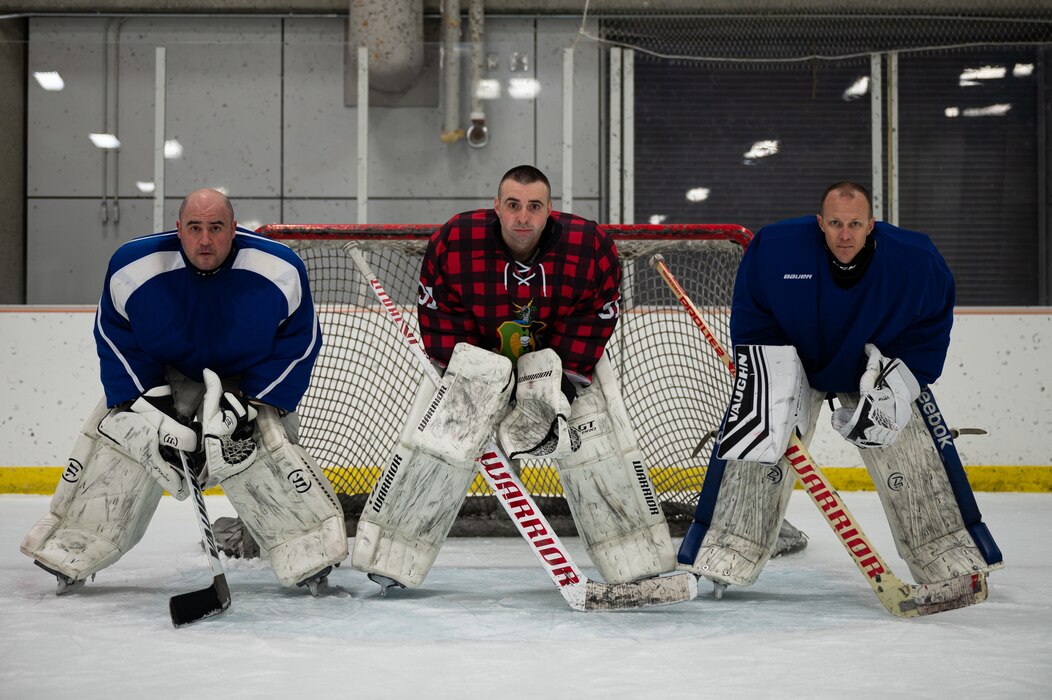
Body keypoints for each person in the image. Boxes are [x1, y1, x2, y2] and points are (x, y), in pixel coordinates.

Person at [350, 164, 677, 592]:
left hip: (560, 362)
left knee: (595, 445)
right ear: (497, 207)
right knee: (438, 446)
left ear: (549, 211)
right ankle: (392, 555)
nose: (523, 217)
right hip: (477, 362)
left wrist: (560, 380)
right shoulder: (456, 240)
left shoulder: (588, 244)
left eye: (534, 207)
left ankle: (635, 556)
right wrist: (482, 381)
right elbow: (440, 312)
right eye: (514, 205)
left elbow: (597, 310)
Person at [678, 181, 1003, 594]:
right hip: (794, 359)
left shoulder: (916, 260)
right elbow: (752, 313)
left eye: (854, 224)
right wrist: (771, 374)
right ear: (820, 223)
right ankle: (726, 549)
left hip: (873, 363)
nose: (844, 234)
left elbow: (931, 325)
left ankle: (950, 552)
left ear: (872, 225)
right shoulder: (776, 249)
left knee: (912, 448)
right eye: (835, 223)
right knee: (757, 437)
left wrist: (900, 381)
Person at [21, 188, 347, 596]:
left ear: (234, 229)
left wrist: (247, 405)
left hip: (245, 380)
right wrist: (153, 404)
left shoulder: (279, 267)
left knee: (262, 446)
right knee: (126, 438)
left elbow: (300, 340)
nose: (205, 240)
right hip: (163, 373)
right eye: (195, 228)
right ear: (178, 229)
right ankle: (73, 547)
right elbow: (113, 333)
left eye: (216, 228)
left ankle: (309, 553)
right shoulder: (133, 265)